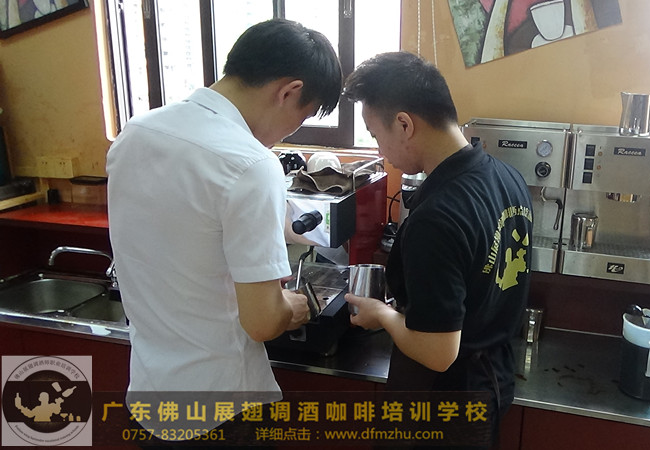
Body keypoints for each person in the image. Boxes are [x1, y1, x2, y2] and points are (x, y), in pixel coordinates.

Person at [106, 18, 342, 439]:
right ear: (289, 92)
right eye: (302, 117)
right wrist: (293, 306)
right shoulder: (251, 164)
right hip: (221, 413)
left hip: (149, 397)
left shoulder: (135, 134)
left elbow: (185, 231)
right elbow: (262, 323)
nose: (291, 132)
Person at [343, 51, 534, 448]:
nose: (380, 152)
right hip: (491, 382)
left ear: (404, 124)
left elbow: (437, 352)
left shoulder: (437, 218)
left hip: (444, 404)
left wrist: (382, 314)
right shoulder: (507, 177)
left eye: (376, 136)